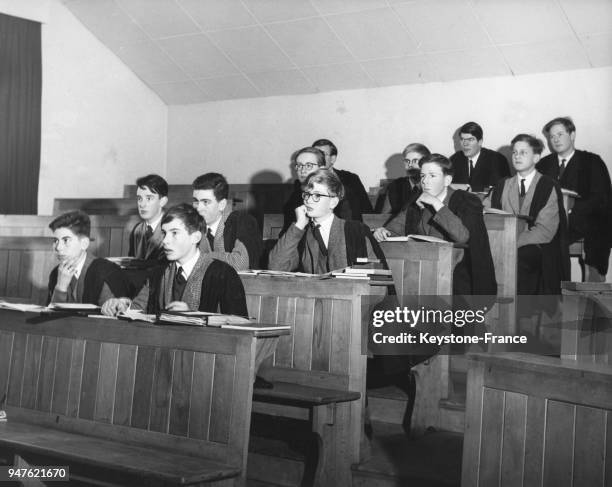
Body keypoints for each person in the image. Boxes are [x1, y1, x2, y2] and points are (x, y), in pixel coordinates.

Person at [374, 154, 497, 297]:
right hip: (421, 268)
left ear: (447, 180)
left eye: (432, 176)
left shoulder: (466, 200)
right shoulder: (416, 201)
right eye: (422, 176)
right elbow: (395, 228)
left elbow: (462, 236)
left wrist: (437, 204)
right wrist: (383, 231)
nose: (425, 181)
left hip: (460, 273)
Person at [102, 204, 247, 317]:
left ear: (195, 237)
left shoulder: (223, 274)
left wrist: (193, 316)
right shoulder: (158, 273)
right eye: (164, 233)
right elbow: (139, 308)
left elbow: (238, 323)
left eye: (174, 233)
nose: (165, 241)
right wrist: (121, 305)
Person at [484, 134, 570, 295]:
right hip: (502, 244)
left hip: (538, 247)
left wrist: (510, 244)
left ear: (536, 157)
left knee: (521, 259)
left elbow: (544, 231)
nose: (517, 156)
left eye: (523, 152)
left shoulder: (547, 186)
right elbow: (485, 212)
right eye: (515, 152)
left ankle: (523, 315)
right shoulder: (502, 185)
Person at [536, 117, 611, 281]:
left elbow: (601, 197)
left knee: (597, 230)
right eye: (552, 136)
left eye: (560, 134)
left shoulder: (592, 162)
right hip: (549, 221)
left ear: (572, 135)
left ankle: (585, 295)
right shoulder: (543, 164)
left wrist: (570, 209)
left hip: (583, 221)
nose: (555, 140)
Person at [270, 168, 385, 273]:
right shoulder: (301, 233)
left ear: (333, 202)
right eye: (306, 195)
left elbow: (375, 278)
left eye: (317, 195)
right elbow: (276, 267)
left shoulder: (355, 231)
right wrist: (299, 225)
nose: (308, 201)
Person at [48, 210, 129, 305]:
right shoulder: (55, 273)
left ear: (84, 243)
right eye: (55, 241)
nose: (58, 247)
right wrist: (60, 287)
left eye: (66, 240)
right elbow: (50, 317)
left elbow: (110, 316)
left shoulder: (106, 271)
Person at [192, 173, 262, 271]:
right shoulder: (192, 224)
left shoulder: (243, 222)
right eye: (196, 201)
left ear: (222, 204)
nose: (198, 208)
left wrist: (196, 258)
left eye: (205, 202)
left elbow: (239, 264)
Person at [281, 147, 351, 235]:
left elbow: (348, 234)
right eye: (299, 165)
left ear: (322, 168)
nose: (302, 170)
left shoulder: (337, 193)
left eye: (308, 165)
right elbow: (286, 233)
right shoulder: (295, 195)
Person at [313, 138, 373, 221]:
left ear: (332, 159)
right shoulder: (305, 181)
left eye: (323, 154)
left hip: (351, 228)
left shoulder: (351, 178)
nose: (318, 158)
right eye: (315, 154)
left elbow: (366, 209)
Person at [450, 121, 510, 192]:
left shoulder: (498, 160)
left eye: (470, 139)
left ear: (480, 141)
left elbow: (504, 189)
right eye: (462, 139)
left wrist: (470, 189)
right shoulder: (455, 159)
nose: (465, 144)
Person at [380, 143, 430, 215]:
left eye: (415, 161)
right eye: (407, 161)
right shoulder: (395, 186)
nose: (410, 165)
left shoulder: (433, 184)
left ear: (426, 162)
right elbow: (383, 217)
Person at [128, 174, 168, 261]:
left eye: (149, 198)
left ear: (162, 201)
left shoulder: (171, 230)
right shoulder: (137, 230)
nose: (142, 204)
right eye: (139, 198)